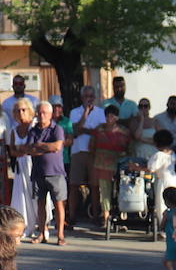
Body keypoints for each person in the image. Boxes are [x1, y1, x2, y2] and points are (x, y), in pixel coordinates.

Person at [29, 100, 68, 245]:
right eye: (39, 112)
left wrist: (40, 146)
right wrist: (46, 147)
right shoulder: (33, 130)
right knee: (40, 204)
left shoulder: (57, 129)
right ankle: (42, 233)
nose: (41, 115)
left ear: (51, 114)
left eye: (44, 112)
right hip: (38, 172)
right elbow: (30, 149)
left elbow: (57, 146)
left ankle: (60, 235)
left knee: (58, 204)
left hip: (56, 172)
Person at [67, 85, 104, 224]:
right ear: (82, 98)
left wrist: (85, 130)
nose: (88, 99)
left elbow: (100, 132)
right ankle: (72, 216)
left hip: (94, 152)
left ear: (94, 98)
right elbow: (75, 131)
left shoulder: (101, 112)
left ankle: (95, 216)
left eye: (91, 96)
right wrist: (85, 114)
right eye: (86, 96)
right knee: (74, 185)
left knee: (95, 186)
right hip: (78, 151)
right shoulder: (74, 112)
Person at [90, 104, 131, 224]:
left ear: (117, 117)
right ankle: (106, 216)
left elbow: (129, 148)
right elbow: (92, 146)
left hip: (119, 164)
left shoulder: (124, 132)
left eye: (112, 116)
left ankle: (122, 217)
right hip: (102, 164)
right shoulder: (99, 130)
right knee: (105, 191)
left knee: (121, 189)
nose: (109, 119)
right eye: (107, 116)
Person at [4, 97, 38, 236]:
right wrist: (23, 150)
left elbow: (34, 146)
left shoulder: (34, 126)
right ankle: (23, 226)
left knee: (34, 195)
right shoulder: (13, 130)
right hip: (20, 165)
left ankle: (40, 225)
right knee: (21, 195)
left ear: (29, 110)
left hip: (33, 164)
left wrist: (24, 150)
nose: (21, 112)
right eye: (18, 110)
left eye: (23, 109)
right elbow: (12, 150)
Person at [147, 128, 176, 238]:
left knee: (161, 205)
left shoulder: (158, 155)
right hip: (173, 179)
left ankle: (163, 229)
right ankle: (174, 227)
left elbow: (151, 169)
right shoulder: (172, 153)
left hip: (163, 180)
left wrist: (135, 167)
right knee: (173, 204)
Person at [130, 97, 158, 162]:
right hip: (139, 153)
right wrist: (141, 120)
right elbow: (137, 136)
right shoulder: (134, 121)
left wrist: (142, 139)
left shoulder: (155, 121)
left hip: (153, 153)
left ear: (149, 107)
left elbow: (158, 140)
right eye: (141, 106)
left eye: (145, 106)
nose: (143, 108)